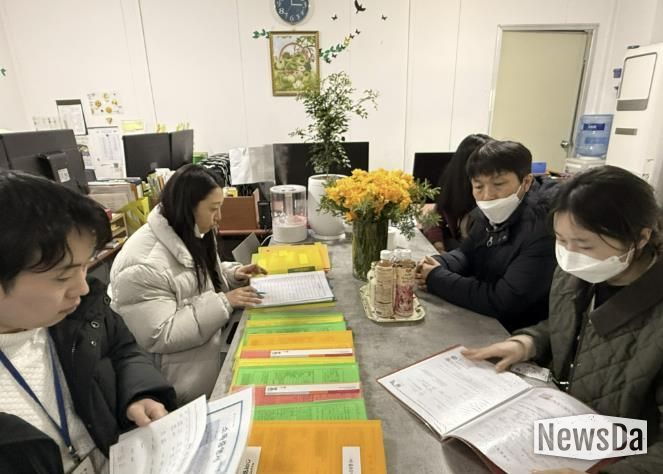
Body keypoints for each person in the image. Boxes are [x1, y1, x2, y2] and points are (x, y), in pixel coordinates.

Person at [464, 165, 663, 472]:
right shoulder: (577, 274)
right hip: (567, 429)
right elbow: (574, 328)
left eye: (585, 244)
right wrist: (527, 343)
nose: (570, 254)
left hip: (620, 454)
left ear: (640, 238)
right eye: (561, 240)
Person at [0, 171, 176, 473]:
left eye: (84, 267)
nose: (81, 288)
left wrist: (138, 394)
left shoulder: (79, 313)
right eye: (63, 277)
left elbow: (123, 349)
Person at [109, 164, 266, 404]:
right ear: (188, 207)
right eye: (213, 209)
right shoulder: (143, 265)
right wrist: (225, 302)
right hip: (176, 382)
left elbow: (196, 279)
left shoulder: (189, 230)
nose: (219, 217)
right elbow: (161, 334)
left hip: (202, 357)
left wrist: (233, 275)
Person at [415, 140, 556, 332]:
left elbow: (503, 300)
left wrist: (436, 277)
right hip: (480, 318)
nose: (488, 195)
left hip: (512, 332)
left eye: (498, 184)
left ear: (526, 182)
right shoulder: (487, 214)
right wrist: (438, 263)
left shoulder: (542, 230)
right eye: (478, 186)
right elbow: (467, 254)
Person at [424, 133, 492, 252]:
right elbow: (434, 220)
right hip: (457, 251)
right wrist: (439, 246)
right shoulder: (453, 184)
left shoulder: (490, 198)